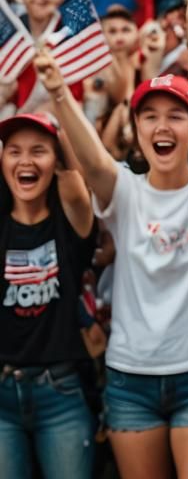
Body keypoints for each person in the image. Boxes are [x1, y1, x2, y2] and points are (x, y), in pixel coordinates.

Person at [35, 54, 188, 479]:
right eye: (149, 116)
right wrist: (59, 92)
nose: (162, 126)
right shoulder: (124, 193)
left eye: (176, 116)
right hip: (130, 379)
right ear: (136, 132)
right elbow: (93, 160)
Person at [0, 111, 96, 478]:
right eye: (14, 151)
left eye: (38, 151)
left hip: (61, 395)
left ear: (55, 160)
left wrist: (58, 123)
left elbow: (75, 186)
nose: (25, 161)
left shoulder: (70, 222)